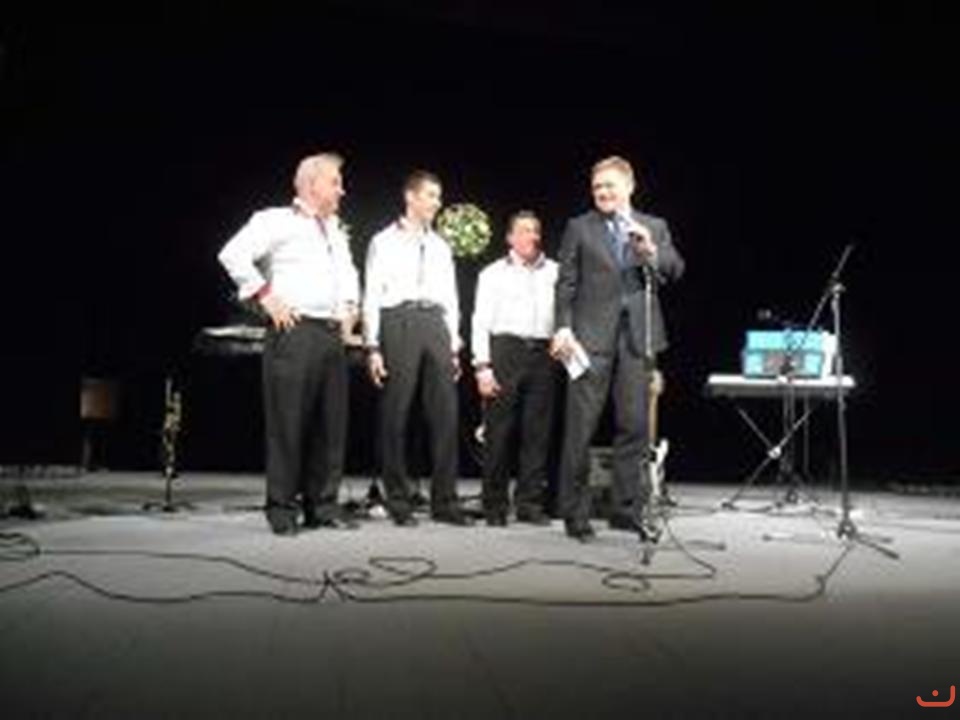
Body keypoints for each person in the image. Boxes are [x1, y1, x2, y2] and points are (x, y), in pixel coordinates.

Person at [218, 152, 360, 536]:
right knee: (288, 423)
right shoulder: (275, 220)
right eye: (335, 182)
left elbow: (348, 272)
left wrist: (351, 307)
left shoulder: (335, 229)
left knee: (330, 425)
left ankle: (323, 506)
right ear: (311, 184)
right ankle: (282, 508)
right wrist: (265, 295)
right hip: (295, 331)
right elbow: (232, 254)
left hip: (331, 333)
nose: (342, 190)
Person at [552, 155, 685, 541]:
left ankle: (625, 508)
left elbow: (675, 269)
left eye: (609, 185)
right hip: (589, 339)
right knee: (580, 428)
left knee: (634, 427)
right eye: (597, 187)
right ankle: (574, 513)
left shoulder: (654, 226)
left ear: (629, 186)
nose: (602, 192)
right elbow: (566, 282)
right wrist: (562, 327)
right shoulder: (579, 227)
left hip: (638, 339)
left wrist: (650, 251)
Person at [362, 170, 471, 526]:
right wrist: (372, 346)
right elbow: (372, 294)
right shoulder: (383, 241)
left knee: (445, 414)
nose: (437, 203)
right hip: (399, 320)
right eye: (431, 195)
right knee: (396, 412)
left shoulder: (440, 245)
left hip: (435, 323)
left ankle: (445, 501)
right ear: (410, 197)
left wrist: (453, 344)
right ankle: (398, 500)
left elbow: (451, 297)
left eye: (438, 196)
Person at [471, 211, 558, 526]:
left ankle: (529, 504)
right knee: (499, 431)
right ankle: (494, 505)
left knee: (537, 432)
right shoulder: (493, 273)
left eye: (535, 230)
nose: (531, 236)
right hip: (505, 351)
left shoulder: (556, 272)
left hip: (544, 354)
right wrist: (482, 366)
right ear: (509, 238)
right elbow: (480, 321)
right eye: (523, 230)